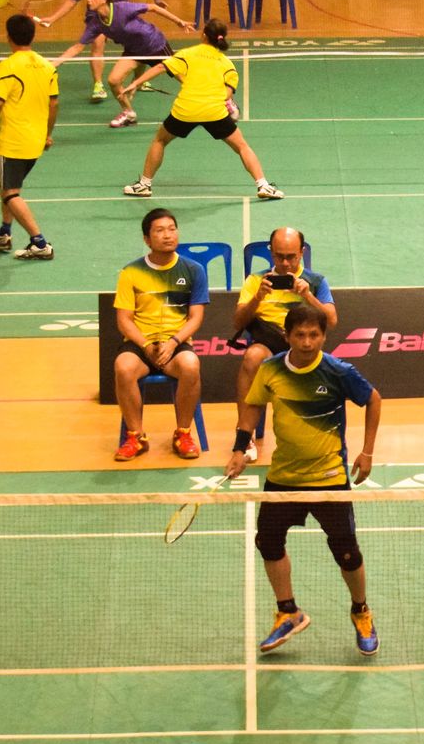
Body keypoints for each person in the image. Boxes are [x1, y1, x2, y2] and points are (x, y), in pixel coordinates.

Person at [225, 306, 382, 656]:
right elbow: (253, 406)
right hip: (284, 475)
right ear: (287, 336)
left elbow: (373, 400)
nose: (307, 342)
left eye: (314, 335)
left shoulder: (338, 371)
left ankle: (361, 611)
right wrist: (239, 447)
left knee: (346, 552)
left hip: (329, 476)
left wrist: (367, 451)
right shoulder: (270, 369)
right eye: (300, 335)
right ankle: (288, 611)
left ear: (324, 336)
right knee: (268, 541)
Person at [120, 19, 284, 200]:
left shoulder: (187, 54)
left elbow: (161, 66)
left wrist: (135, 83)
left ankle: (144, 185)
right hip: (214, 112)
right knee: (242, 146)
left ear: (204, 35)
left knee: (160, 140)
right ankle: (263, 185)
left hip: (185, 111)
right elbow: (227, 95)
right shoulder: (227, 64)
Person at [112, 206, 208, 461]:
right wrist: (145, 345)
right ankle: (136, 436)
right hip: (140, 344)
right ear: (147, 239)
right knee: (123, 367)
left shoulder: (193, 270)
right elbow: (124, 320)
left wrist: (173, 342)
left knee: (191, 365)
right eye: (160, 231)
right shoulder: (131, 272)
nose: (168, 235)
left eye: (172, 229)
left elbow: (196, 317)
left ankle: (183, 433)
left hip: (176, 343)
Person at [232, 227, 334, 458]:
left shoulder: (316, 281)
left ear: (302, 252)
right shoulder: (256, 280)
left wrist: (307, 296)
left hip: (303, 348)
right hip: (268, 346)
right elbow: (238, 322)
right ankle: (244, 436)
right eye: (279, 256)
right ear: (271, 253)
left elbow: (332, 320)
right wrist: (257, 297)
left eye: (291, 257)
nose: (285, 263)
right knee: (252, 356)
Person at [36, 0, 169, 103]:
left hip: (121, 13)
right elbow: (72, 0)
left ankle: (138, 80)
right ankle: (98, 85)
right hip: (97, 16)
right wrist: (53, 18)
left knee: (138, 40)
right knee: (98, 43)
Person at [0, 14, 59, 261]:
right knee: (8, 186)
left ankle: (39, 243)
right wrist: (48, 134)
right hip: (36, 141)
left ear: (8, 37)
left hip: (13, 141)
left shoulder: (8, 66)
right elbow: (53, 104)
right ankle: (4, 233)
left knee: (11, 193)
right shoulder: (47, 66)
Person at [54, 0, 194, 128]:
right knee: (113, 80)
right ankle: (129, 114)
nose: (88, 0)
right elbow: (77, 47)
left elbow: (153, 7)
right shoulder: (96, 23)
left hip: (154, 44)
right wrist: (54, 63)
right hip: (133, 51)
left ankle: (203, 104)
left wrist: (179, 22)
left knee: (184, 79)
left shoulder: (122, 8)